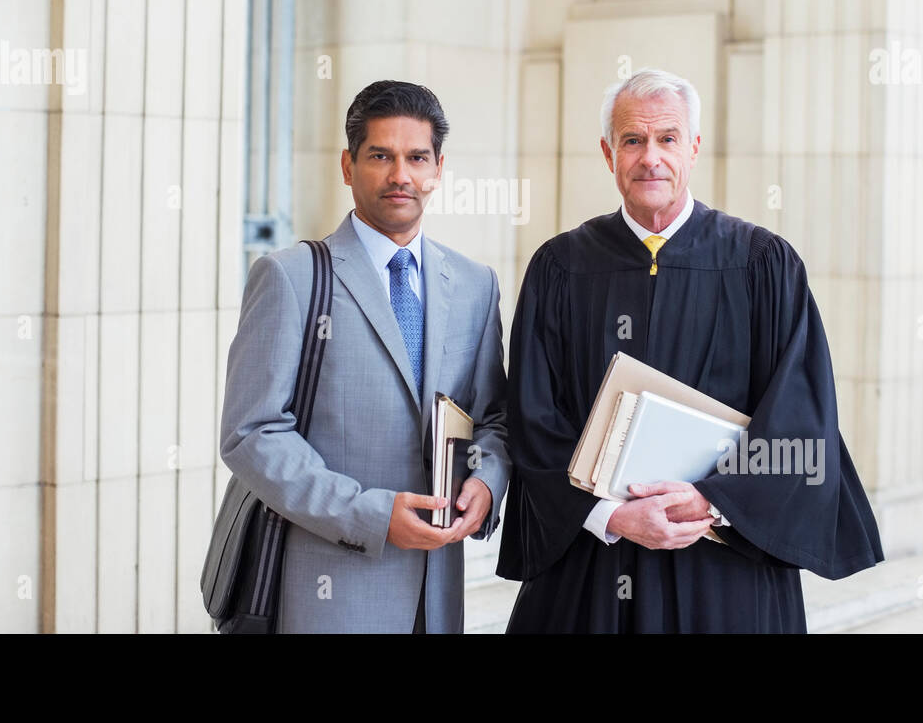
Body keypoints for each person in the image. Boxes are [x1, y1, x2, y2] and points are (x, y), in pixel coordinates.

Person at [496, 68, 883, 632]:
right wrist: (612, 516)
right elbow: (532, 416)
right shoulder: (562, 266)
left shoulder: (761, 264)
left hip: (724, 562)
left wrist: (712, 501)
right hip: (594, 562)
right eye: (633, 140)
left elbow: (802, 414)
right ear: (609, 154)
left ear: (694, 148)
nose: (651, 157)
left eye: (667, 138)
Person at [220, 80, 510, 633]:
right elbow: (251, 433)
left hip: (438, 594)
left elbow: (492, 416)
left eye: (416, 157)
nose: (401, 175)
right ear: (348, 166)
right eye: (381, 156)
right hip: (330, 592)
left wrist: (488, 481)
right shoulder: (292, 277)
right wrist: (371, 516)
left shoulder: (475, 285)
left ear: (438, 168)